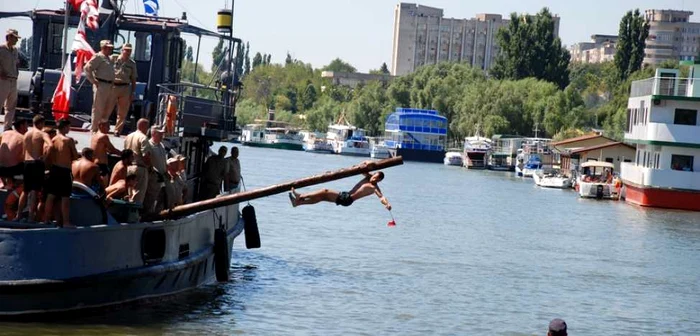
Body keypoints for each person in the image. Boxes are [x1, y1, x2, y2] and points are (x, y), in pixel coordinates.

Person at [289, 165, 391, 210]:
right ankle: (298, 203)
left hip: (348, 199)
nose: (373, 178)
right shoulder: (368, 177)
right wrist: (368, 163)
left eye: (376, 178)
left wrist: (387, 204)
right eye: (374, 175)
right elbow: (361, 168)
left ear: (379, 180)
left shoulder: (374, 188)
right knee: (321, 197)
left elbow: (382, 197)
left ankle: (300, 196)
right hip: (346, 195)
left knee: (325, 191)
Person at [16, 115, 52, 222]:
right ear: (41, 123)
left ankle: (18, 215)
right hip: (37, 162)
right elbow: (50, 145)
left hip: (27, 162)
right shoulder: (42, 133)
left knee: (25, 190)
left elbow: (23, 150)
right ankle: (31, 217)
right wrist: (44, 158)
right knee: (34, 191)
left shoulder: (26, 134)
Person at [44, 120, 79, 227]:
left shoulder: (53, 140)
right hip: (64, 171)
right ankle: (66, 222)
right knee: (65, 198)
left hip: (54, 170)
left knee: (51, 196)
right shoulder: (69, 140)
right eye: (68, 127)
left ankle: (46, 219)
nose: (69, 129)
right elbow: (75, 156)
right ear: (65, 127)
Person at [84, 40, 115, 133]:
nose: (110, 49)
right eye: (108, 48)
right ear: (103, 48)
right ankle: (94, 128)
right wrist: (93, 81)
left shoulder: (108, 58)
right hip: (101, 85)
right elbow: (87, 68)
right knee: (98, 108)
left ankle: (101, 128)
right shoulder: (98, 57)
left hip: (109, 85)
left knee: (107, 108)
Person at [109, 43, 137, 136]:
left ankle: (117, 131)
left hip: (125, 88)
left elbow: (133, 79)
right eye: (126, 50)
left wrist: (133, 92)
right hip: (113, 86)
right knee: (107, 108)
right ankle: (102, 127)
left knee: (122, 112)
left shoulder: (132, 64)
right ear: (122, 50)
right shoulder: (113, 58)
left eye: (129, 50)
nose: (128, 52)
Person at [123, 118, 151, 204]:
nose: (148, 129)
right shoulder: (143, 137)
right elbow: (145, 155)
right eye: (147, 127)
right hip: (139, 168)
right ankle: (134, 215)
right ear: (144, 126)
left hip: (129, 167)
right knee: (138, 194)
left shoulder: (128, 136)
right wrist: (149, 166)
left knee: (129, 193)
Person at [143, 125, 167, 214]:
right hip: (153, 178)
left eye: (162, 134)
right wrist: (155, 172)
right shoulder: (149, 146)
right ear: (153, 134)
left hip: (162, 178)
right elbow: (147, 161)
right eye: (160, 134)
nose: (162, 136)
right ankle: (146, 216)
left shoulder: (161, 145)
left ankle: (156, 215)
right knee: (150, 198)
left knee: (160, 199)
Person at [0, 29, 20, 131]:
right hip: (3, 80)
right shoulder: (1, 49)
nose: (16, 40)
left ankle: (7, 126)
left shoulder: (15, 50)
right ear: (9, 37)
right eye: (15, 38)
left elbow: (16, 64)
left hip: (13, 80)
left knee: (11, 105)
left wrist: (17, 73)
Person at [91, 120, 121, 185]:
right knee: (103, 187)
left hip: (94, 163)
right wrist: (123, 154)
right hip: (101, 166)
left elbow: (104, 149)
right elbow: (112, 149)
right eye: (108, 126)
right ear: (101, 126)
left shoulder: (95, 136)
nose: (109, 129)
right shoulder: (103, 136)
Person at [0, 118, 27, 186]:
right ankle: (14, 181)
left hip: (0, 167)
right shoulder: (22, 138)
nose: (27, 128)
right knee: (30, 163)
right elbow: (24, 157)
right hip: (11, 170)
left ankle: (5, 179)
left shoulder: (4, 133)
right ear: (21, 126)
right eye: (26, 125)